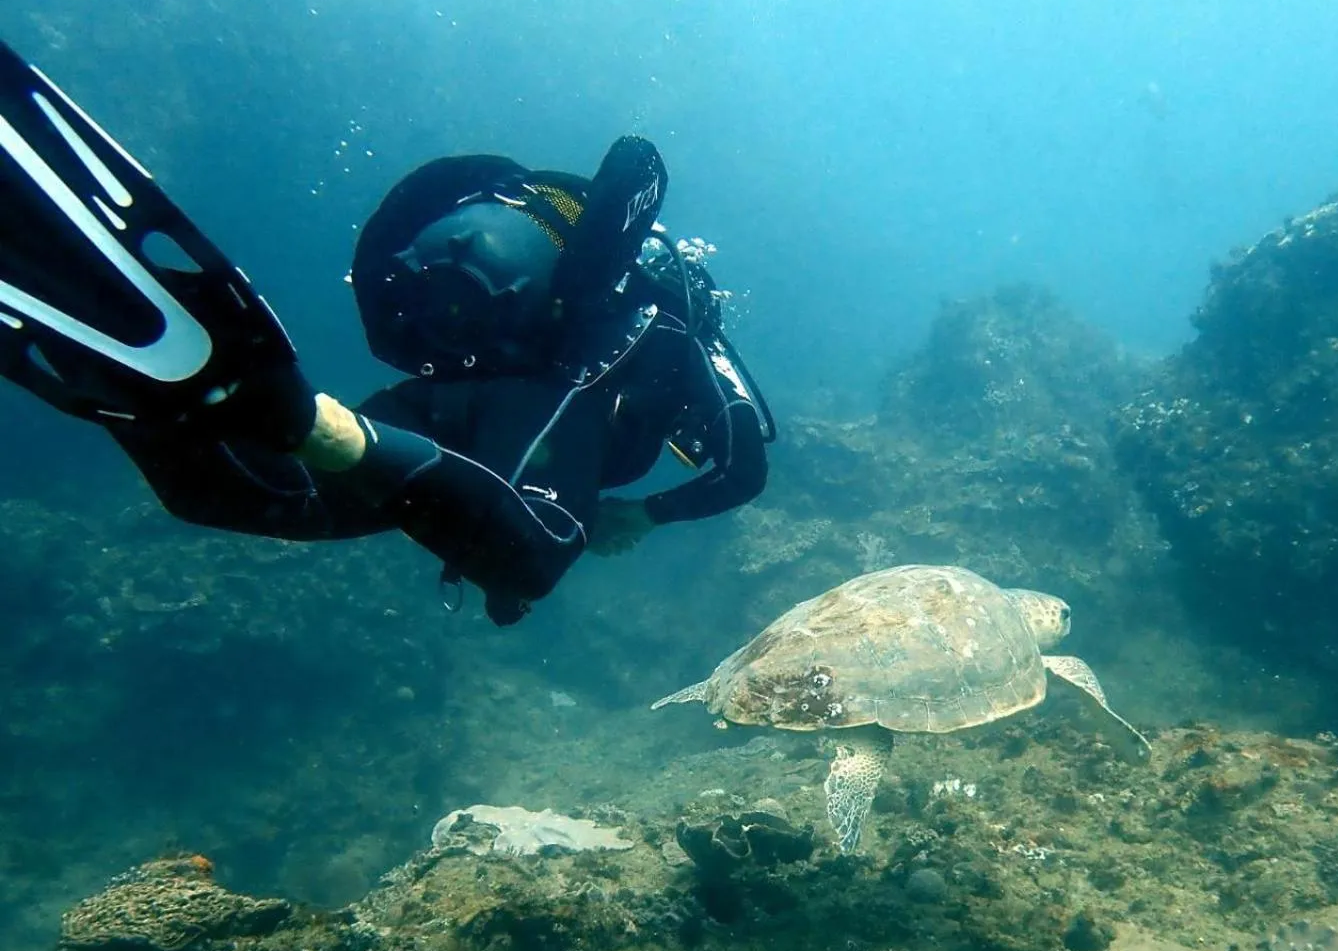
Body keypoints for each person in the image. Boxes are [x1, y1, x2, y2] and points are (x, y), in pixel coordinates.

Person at [0, 42, 774, 626]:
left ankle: (131, 370)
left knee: (261, 492)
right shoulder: (678, 335)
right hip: (543, 389)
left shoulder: (559, 323)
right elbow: (741, 468)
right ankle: (302, 419)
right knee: (537, 549)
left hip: (462, 389)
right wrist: (646, 514)